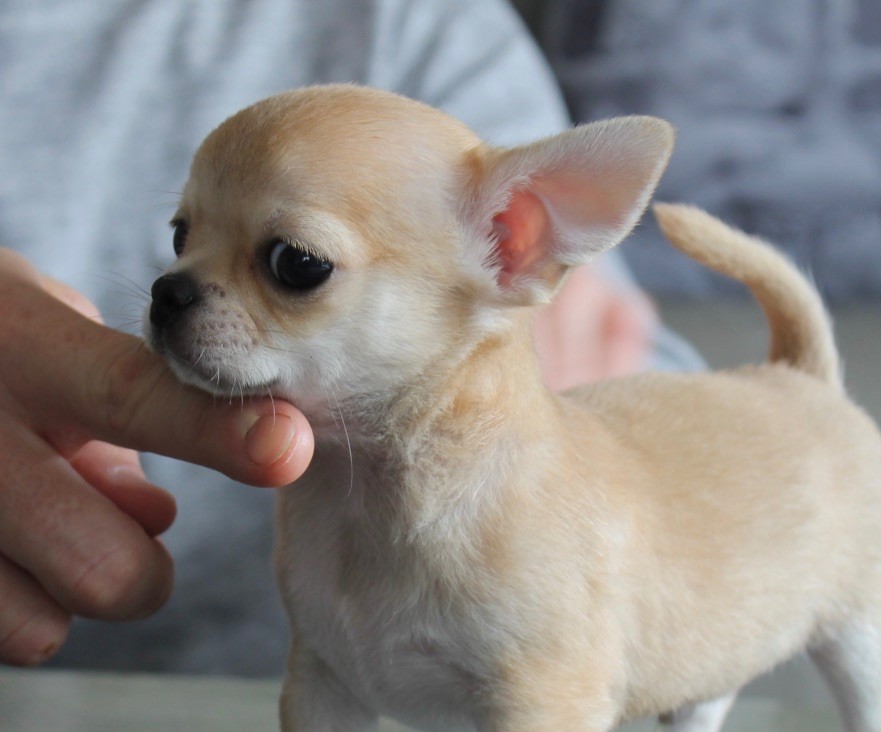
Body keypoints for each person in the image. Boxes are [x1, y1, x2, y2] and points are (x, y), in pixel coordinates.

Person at [0, 0, 701, 673]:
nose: (175, 286)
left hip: (384, 699)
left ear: (512, 241)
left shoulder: (400, 23)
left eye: (294, 265)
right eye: (185, 237)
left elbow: (659, 417)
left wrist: (540, 403)